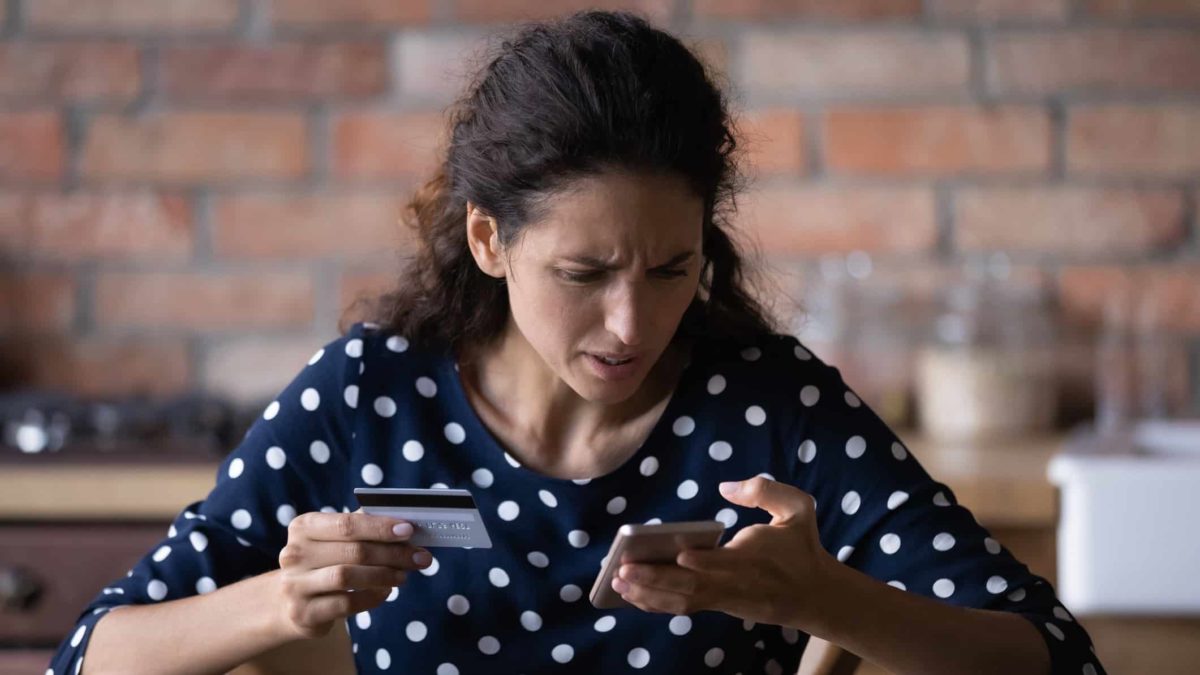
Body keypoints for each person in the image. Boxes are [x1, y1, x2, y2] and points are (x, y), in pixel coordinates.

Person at [48, 11, 1106, 675]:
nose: (631, 326)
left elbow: (1052, 656)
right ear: (489, 239)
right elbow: (92, 654)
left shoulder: (769, 405)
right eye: (585, 274)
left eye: (670, 270)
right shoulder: (373, 397)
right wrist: (282, 603)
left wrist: (818, 597)